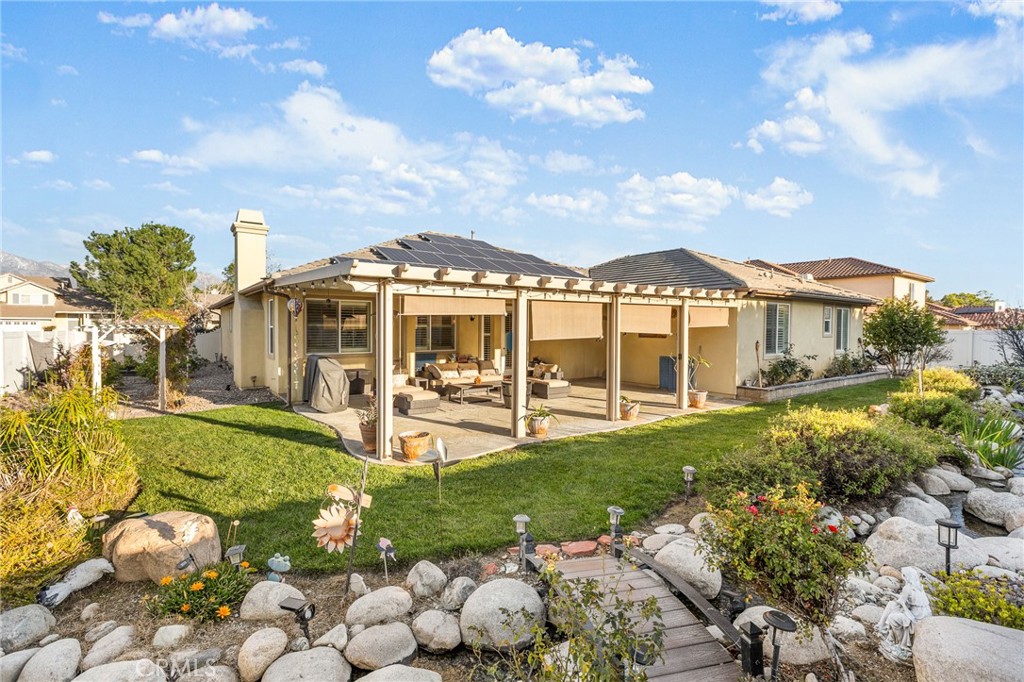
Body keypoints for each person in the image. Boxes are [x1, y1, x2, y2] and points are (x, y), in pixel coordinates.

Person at [876, 566, 933, 662]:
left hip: (915, 618)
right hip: (921, 615)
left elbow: (902, 602)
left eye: (903, 575)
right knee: (891, 604)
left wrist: (892, 595)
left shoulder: (907, 588)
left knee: (892, 618)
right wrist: (894, 595)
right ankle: (880, 627)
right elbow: (906, 600)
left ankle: (899, 644)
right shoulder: (919, 587)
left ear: (906, 576)